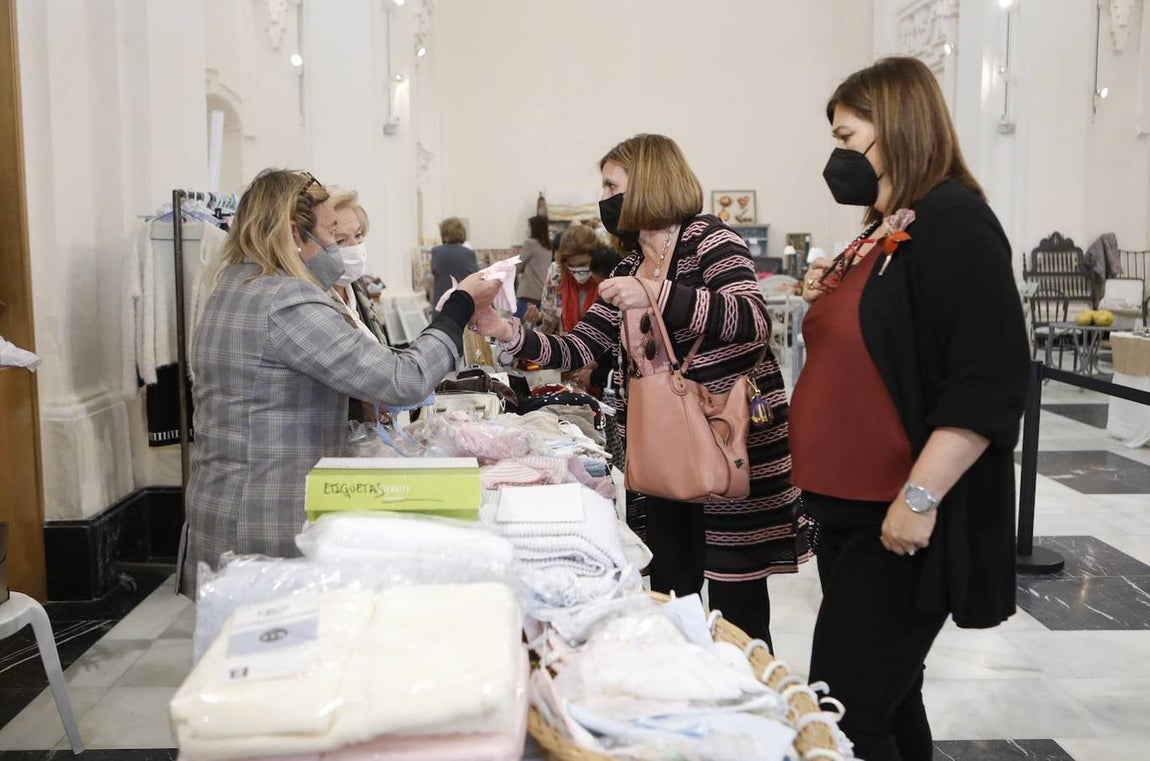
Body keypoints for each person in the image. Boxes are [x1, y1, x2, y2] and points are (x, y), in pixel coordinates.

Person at [476, 134, 808, 645]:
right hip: (663, 447)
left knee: (735, 598)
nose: (604, 198)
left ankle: (744, 696)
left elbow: (751, 318)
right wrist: (504, 331)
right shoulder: (631, 264)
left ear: (649, 184)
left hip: (724, 439)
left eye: (611, 185)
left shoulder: (709, 241)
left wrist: (656, 294)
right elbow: (581, 347)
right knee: (674, 588)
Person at [789, 57, 1029, 761]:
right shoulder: (889, 225)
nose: (836, 154)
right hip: (847, 510)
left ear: (895, 126)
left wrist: (919, 497)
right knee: (889, 702)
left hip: (896, 519)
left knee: (838, 715)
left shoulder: (955, 220)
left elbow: (989, 379)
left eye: (846, 134)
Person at [180, 169, 499, 596]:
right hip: (265, 519)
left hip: (226, 506)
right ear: (295, 233)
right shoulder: (286, 299)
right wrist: (459, 309)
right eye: (332, 232)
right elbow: (403, 379)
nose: (338, 247)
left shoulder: (235, 285)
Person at [328, 189, 389, 346]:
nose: (355, 246)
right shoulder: (315, 298)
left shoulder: (358, 286)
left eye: (358, 235)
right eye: (340, 240)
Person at [527, 223, 601, 335]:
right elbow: (550, 325)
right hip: (567, 347)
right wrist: (539, 318)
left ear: (596, 258)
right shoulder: (556, 274)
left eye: (584, 264)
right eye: (573, 266)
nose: (579, 272)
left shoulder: (607, 277)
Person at [431, 216, 478, 307]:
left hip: (441, 303)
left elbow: (435, 271)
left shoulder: (436, 252)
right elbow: (474, 278)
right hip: (462, 303)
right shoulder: (469, 254)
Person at [515, 214, 553, 319]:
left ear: (535, 228)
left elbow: (518, 265)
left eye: (529, 226)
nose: (527, 229)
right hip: (542, 292)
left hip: (528, 291)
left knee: (515, 323)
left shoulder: (530, 244)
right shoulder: (548, 246)